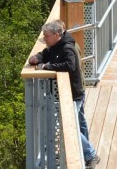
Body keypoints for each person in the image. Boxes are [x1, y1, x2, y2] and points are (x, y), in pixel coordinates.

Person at [28, 20, 100, 168]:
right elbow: (45, 54)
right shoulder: (55, 46)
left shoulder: (67, 48)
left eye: (46, 36)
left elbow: (70, 66)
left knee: (70, 126)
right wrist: (37, 59)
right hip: (72, 92)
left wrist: (48, 66)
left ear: (56, 35)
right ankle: (86, 153)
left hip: (72, 93)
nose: (44, 39)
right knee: (79, 122)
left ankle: (91, 154)